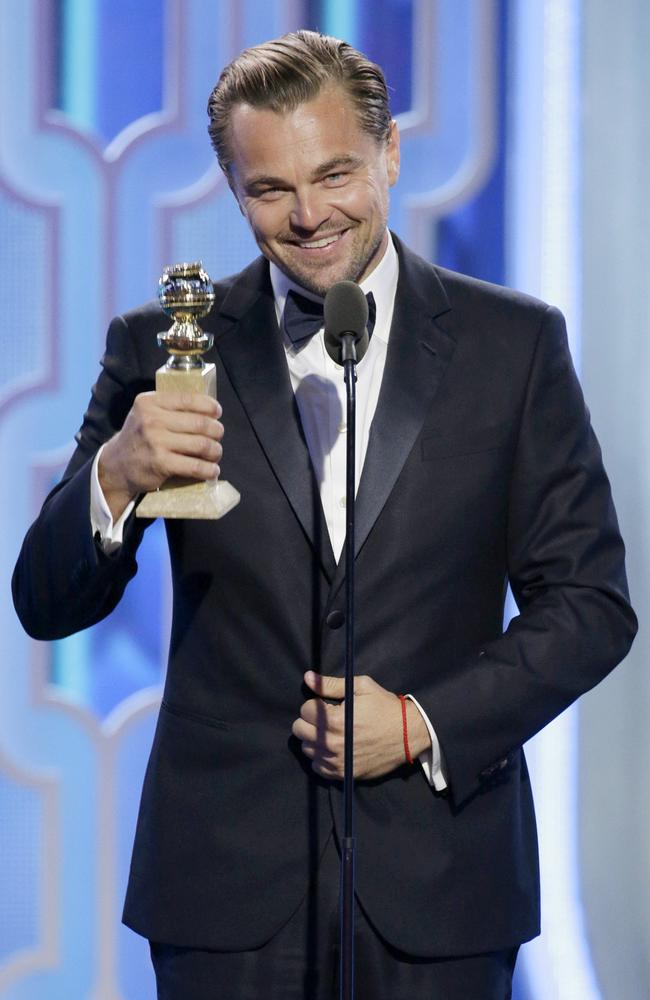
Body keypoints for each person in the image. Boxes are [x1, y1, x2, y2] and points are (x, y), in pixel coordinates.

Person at [13, 29, 636, 1000]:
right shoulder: (159, 347)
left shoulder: (510, 347)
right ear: (232, 190)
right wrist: (117, 472)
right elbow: (45, 601)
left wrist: (421, 721)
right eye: (269, 189)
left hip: (442, 889)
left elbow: (589, 606)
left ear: (388, 155)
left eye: (335, 172)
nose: (308, 215)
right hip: (224, 899)